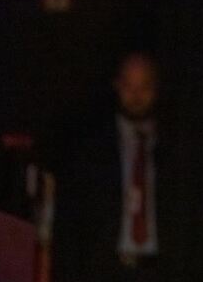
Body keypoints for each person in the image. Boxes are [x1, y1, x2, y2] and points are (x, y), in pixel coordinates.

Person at [54, 52, 177, 282]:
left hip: (159, 269)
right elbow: (74, 220)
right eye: (129, 86)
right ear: (117, 85)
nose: (136, 95)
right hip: (105, 268)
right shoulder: (94, 149)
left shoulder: (173, 145)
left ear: (156, 87)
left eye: (144, 86)